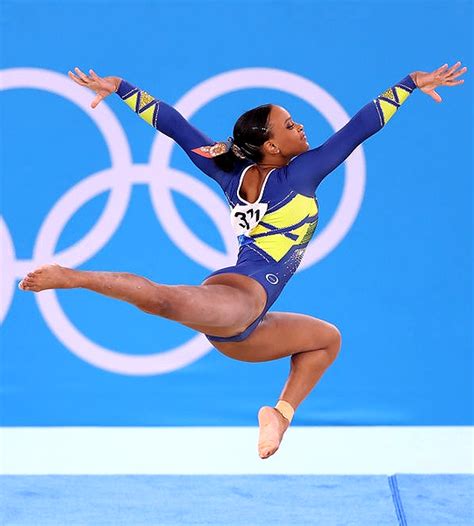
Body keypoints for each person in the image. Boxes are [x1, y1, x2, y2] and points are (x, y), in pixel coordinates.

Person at [19, 62, 466, 459]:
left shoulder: (226, 169)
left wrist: (122, 87)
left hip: (247, 327)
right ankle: (72, 277)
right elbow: (359, 128)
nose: (300, 128)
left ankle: (279, 416)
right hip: (237, 297)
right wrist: (407, 84)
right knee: (161, 300)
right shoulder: (301, 173)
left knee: (326, 341)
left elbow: (175, 126)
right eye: (289, 125)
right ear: (270, 145)